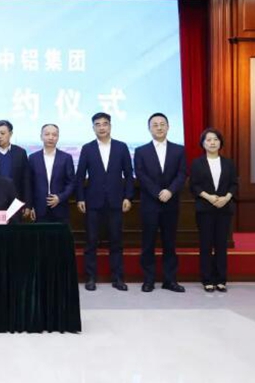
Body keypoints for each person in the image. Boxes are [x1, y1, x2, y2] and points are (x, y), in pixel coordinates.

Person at [76, 112, 134, 291]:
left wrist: (128, 197)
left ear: (110, 126)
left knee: (116, 241)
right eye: (98, 124)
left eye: (105, 123)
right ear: (93, 128)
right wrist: (80, 198)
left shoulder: (121, 147)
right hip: (93, 202)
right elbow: (80, 176)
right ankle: (90, 278)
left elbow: (129, 174)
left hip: (116, 201)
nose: (102, 127)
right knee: (91, 242)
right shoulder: (87, 148)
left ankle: (118, 278)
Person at [134, 113, 187, 293]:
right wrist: (157, 192)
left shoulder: (179, 150)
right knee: (148, 243)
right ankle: (148, 280)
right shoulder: (141, 151)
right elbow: (141, 175)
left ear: (168, 127)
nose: (159, 127)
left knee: (169, 243)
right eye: (155, 125)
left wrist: (170, 191)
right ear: (149, 129)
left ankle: (170, 280)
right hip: (150, 204)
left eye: (162, 124)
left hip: (171, 203)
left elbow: (182, 174)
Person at [190, 128, 238, 293]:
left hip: (224, 208)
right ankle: (207, 279)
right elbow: (194, 185)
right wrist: (209, 197)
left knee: (221, 244)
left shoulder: (228, 163)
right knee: (206, 244)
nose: (212, 143)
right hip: (205, 208)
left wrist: (226, 198)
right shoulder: (197, 163)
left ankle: (221, 279)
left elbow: (234, 184)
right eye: (208, 140)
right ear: (203, 144)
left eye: (215, 139)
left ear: (220, 143)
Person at [26, 123, 75, 223]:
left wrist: (60, 197)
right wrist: (31, 206)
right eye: (47, 134)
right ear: (41, 136)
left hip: (60, 207)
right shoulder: (33, 158)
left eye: (54, 135)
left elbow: (71, 183)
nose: (51, 137)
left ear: (58, 137)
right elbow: (29, 184)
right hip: (39, 208)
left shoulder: (66, 158)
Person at [0, 120, 29, 216]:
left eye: (2, 133)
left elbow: (26, 180)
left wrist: (28, 204)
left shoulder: (20, 152)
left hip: (15, 202)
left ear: (10, 134)